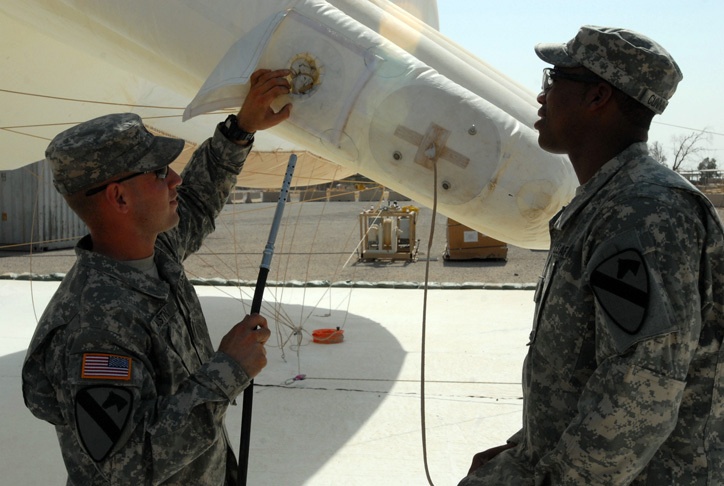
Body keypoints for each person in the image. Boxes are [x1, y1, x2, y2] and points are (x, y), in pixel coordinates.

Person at [460, 26, 724, 485]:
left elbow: (641, 394)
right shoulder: (609, 202)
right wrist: (526, 447)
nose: (541, 98)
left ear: (598, 97)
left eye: (552, 82)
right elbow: (582, 368)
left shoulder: (643, 213)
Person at [22, 68, 292, 485]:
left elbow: (199, 198)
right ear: (119, 197)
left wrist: (240, 130)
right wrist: (228, 369)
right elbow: (125, 468)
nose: (175, 178)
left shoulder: (154, 251)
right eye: (158, 172)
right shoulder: (94, 325)